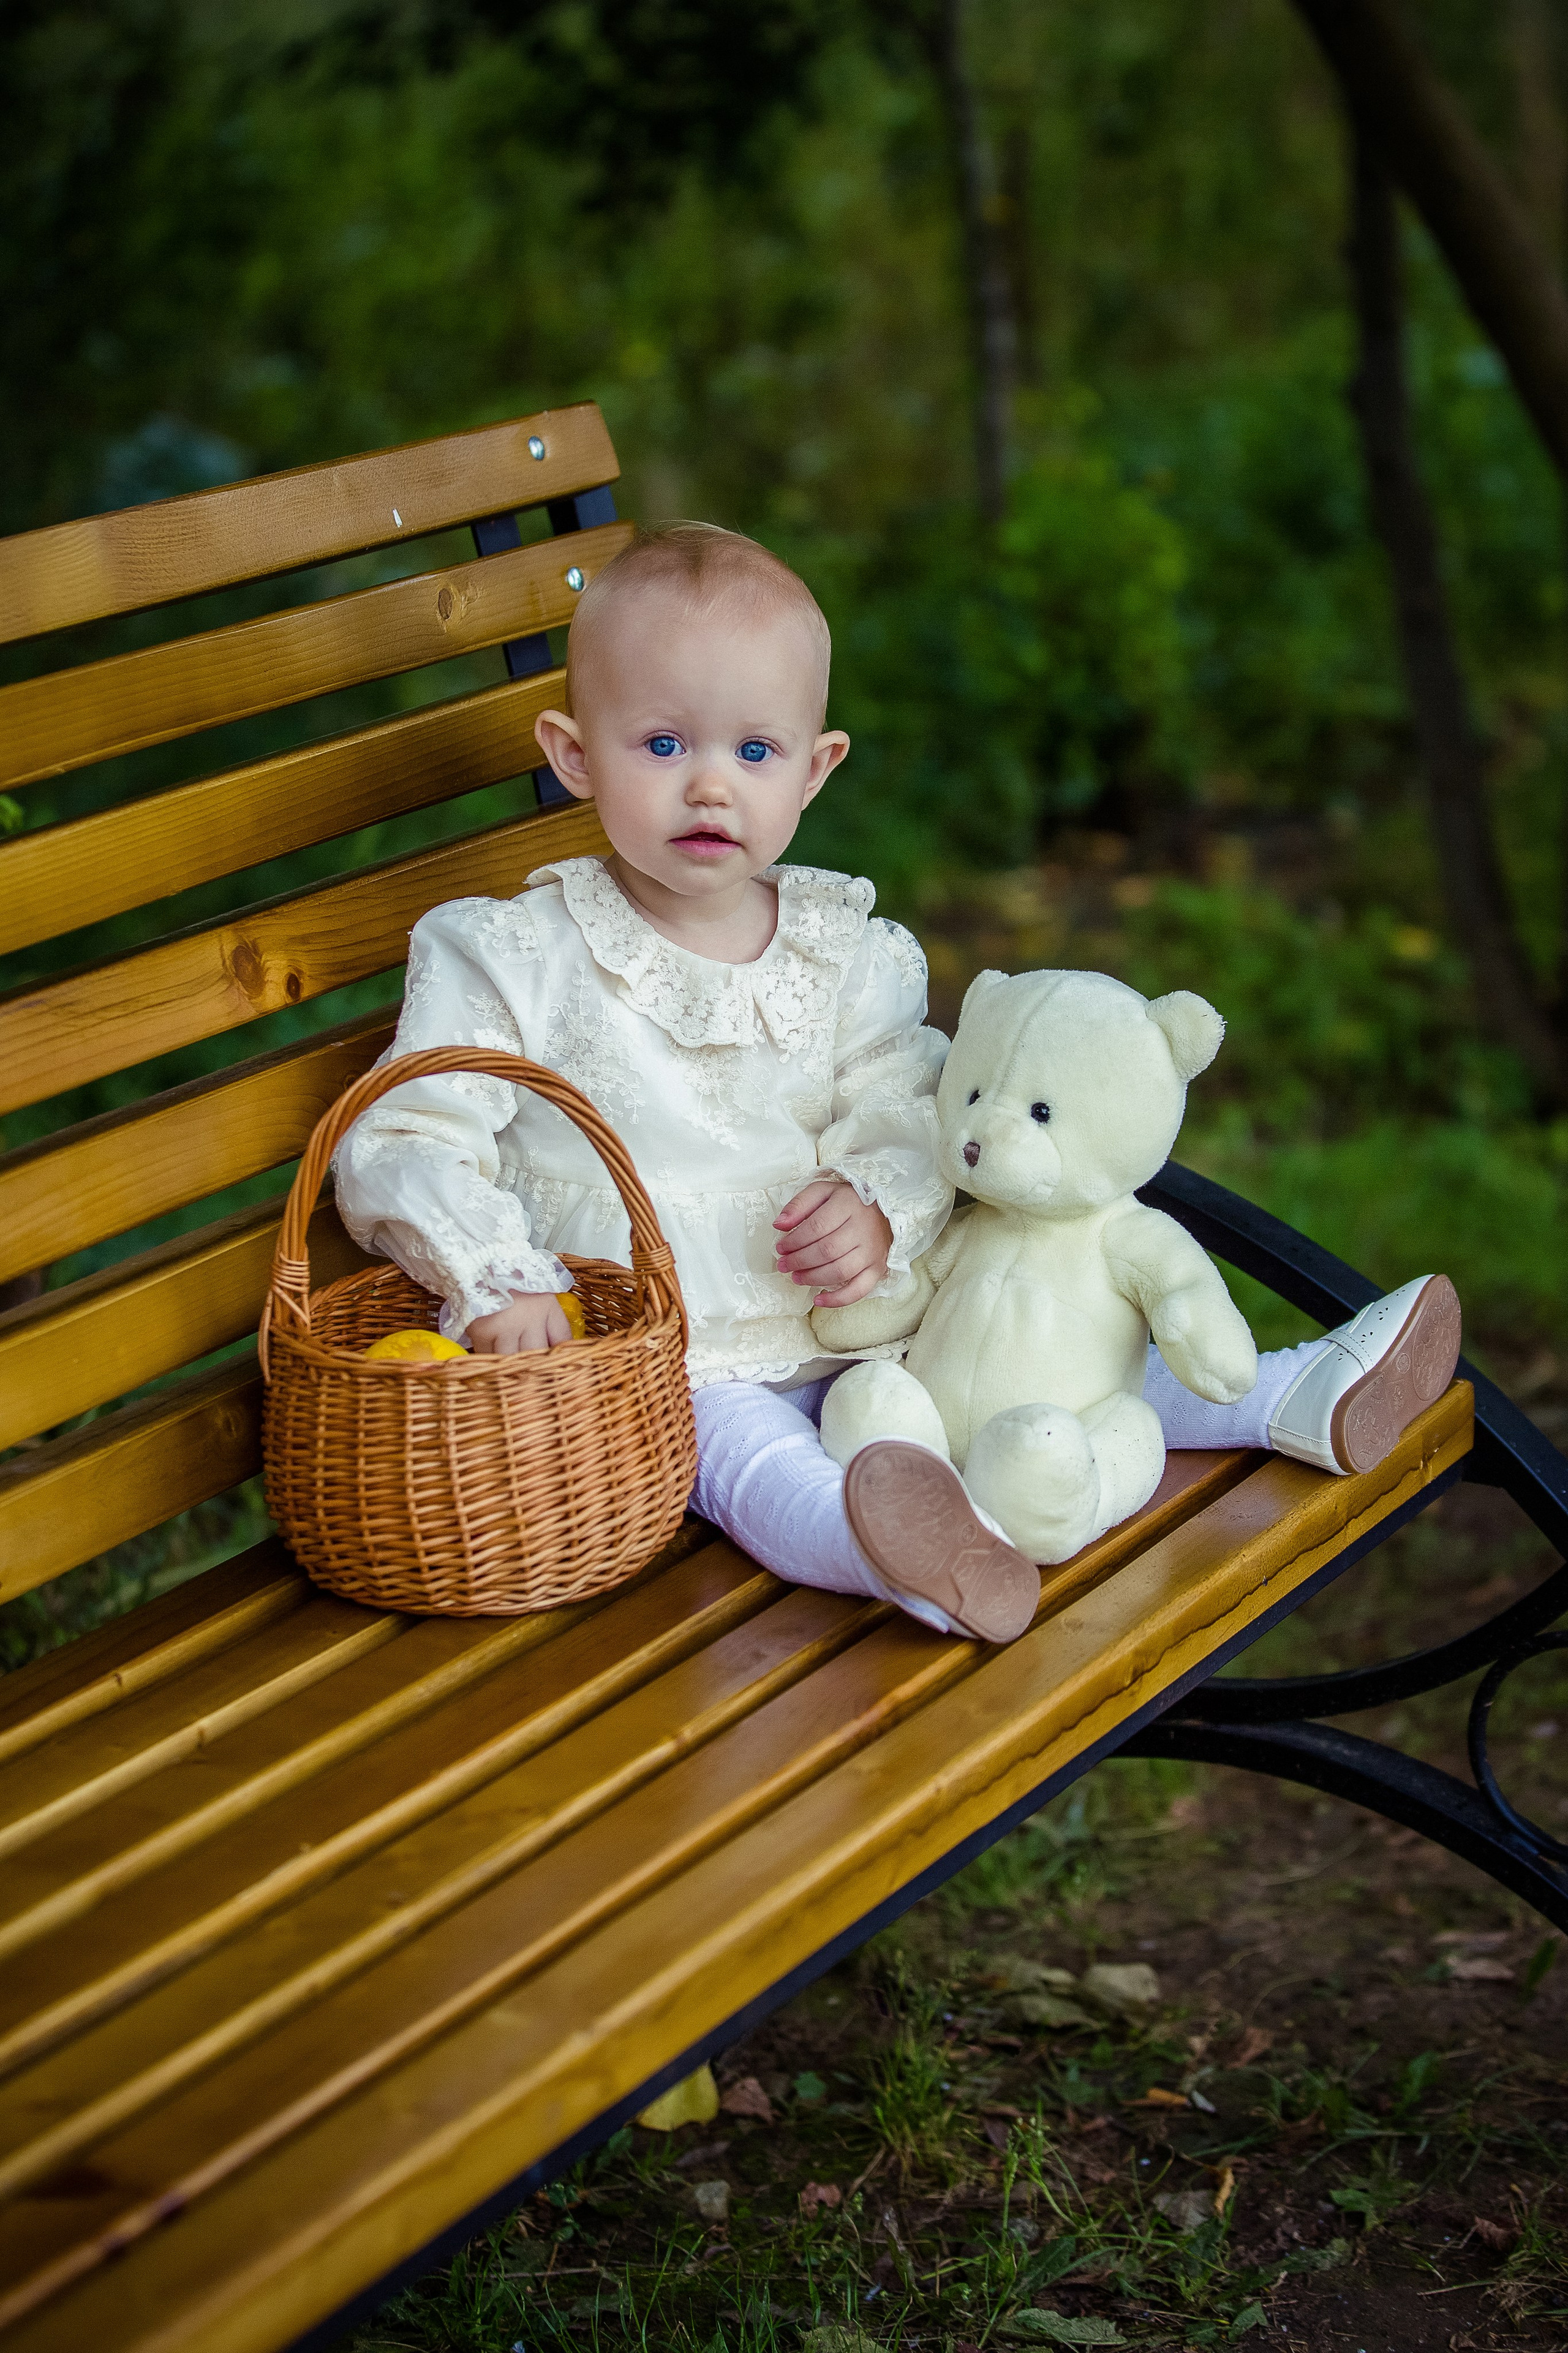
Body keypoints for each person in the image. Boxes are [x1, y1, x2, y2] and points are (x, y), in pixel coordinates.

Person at [334, 523, 1461, 1645]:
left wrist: (879, 1206)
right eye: (664, 745)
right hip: (674, 1365)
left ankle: (1288, 1395)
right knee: (754, 1467)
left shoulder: (845, 952)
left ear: (816, 769)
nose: (713, 787)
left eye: (757, 752)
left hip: (879, 1330)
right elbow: (407, 1132)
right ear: (575, 755)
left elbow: (911, 1107)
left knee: (1044, 1365)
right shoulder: (517, 956)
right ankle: (909, 1549)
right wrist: (499, 1276)